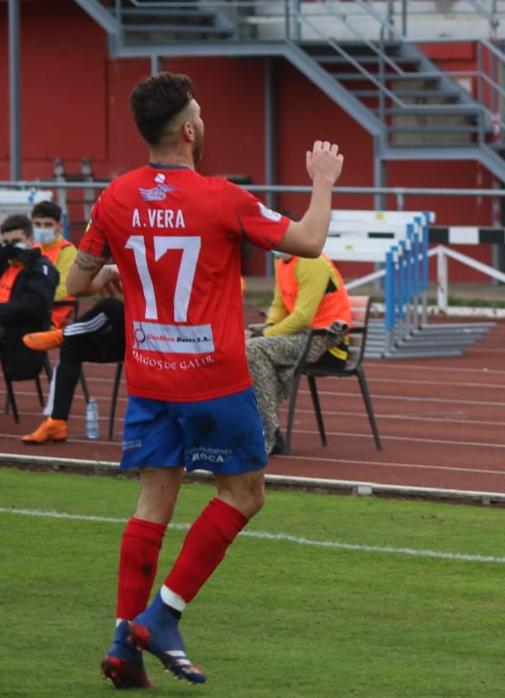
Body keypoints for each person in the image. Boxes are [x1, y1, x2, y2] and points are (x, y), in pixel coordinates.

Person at [64, 71, 344, 689]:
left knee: (152, 503)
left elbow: (77, 284)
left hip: (150, 375)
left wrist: (116, 268)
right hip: (212, 377)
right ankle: (162, 616)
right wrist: (322, 181)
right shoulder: (222, 197)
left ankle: (123, 643)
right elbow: (310, 239)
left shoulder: (115, 197)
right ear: (189, 129)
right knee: (245, 495)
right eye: (201, 112)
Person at [246, 251, 351, 455]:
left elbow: (303, 317)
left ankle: (268, 433)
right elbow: (279, 306)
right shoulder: (282, 261)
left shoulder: (311, 262)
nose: (271, 246)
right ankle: (264, 429)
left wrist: (265, 334)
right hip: (299, 336)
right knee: (250, 346)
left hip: (325, 341)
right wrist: (267, 327)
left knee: (254, 348)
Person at [19, 297, 125, 444]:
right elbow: (80, 289)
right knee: (72, 347)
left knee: (112, 306)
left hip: (159, 341)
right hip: (139, 336)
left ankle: (63, 335)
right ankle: (56, 423)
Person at [0, 214, 58, 387]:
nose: (11, 248)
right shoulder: (4, 265)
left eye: (16, 241)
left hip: (18, 331)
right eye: (6, 243)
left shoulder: (41, 267)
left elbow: (34, 306)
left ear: (31, 239)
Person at [30, 200, 79, 328]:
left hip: (53, 314)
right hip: (29, 309)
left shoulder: (67, 250)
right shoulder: (31, 248)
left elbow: (64, 291)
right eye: (38, 224)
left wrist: (30, 297)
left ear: (59, 226)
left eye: (48, 225)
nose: (42, 229)